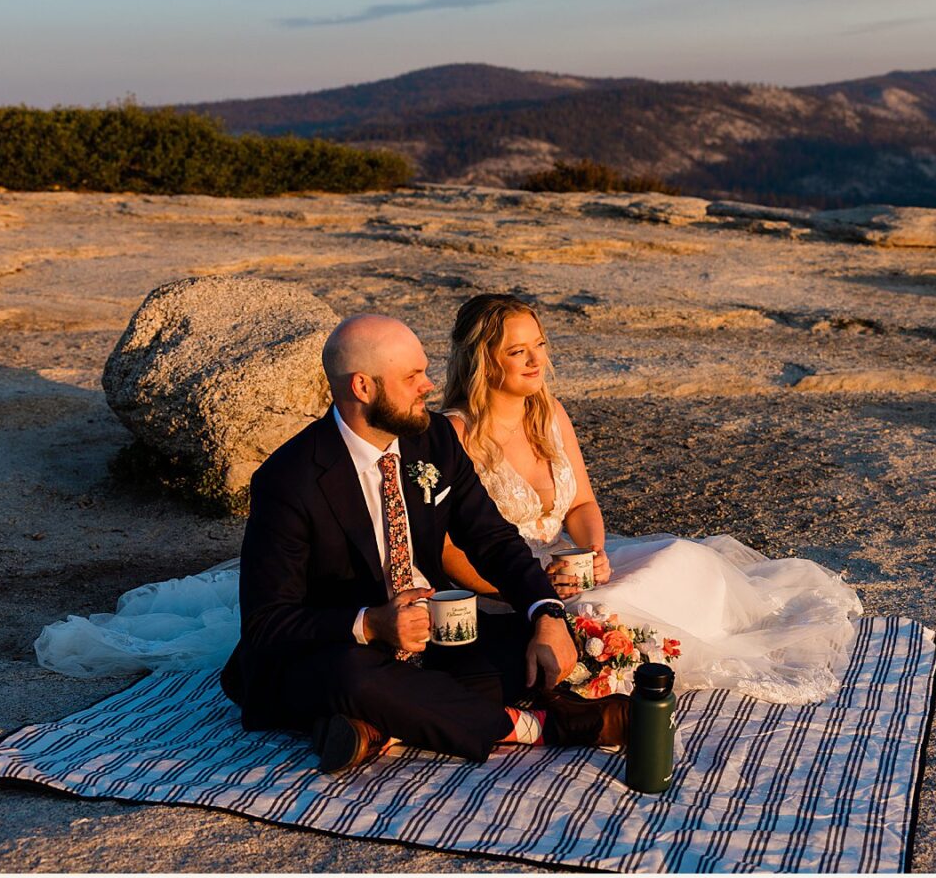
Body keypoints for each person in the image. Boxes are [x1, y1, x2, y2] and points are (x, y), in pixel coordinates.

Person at [212, 314, 628, 770]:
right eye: (412, 377)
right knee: (354, 678)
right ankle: (541, 727)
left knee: (531, 646)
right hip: (338, 649)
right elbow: (267, 624)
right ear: (363, 387)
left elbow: (492, 539)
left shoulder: (434, 441)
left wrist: (546, 613)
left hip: (428, 639)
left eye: (424, 372)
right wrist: (371, 624)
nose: (428, 386)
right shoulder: (289, 479)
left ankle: (375, 727)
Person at [437, 294, 863, 704]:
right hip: (502, 586)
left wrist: (594, 552)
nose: (537, 361)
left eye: (540, 346)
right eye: (518, 351)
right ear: (482, 360)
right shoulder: (453, 434)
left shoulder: (550, 413)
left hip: (567, 567)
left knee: (682, 558)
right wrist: (531, 590)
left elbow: (581, 505)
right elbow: (448, 552)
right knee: (607, 611)